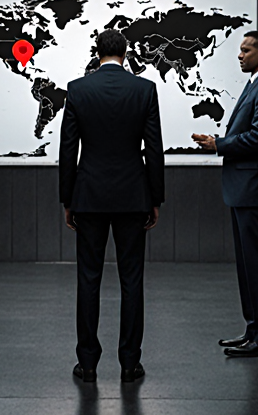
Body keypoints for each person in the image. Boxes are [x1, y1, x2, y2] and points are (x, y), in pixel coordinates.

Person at [59, 28, 165, 383]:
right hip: (133, 196)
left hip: (88, 196)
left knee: (88, 279)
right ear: (126, 52)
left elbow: (67, 151)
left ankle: (87, 363)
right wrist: (155, 198)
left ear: (96, 52)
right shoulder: (145, 89)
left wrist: (67, 198)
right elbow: (153, 149)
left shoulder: (77, 89)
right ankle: (129, 363)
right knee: (131, 281)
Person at [192, 30, 258, 358]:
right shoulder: (256, 84)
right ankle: (254, 330)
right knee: (248, 266)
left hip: (256, 190)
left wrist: (219, 144)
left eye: (246, 50)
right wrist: (220, 140)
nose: (239, 55)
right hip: (245, 189)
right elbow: (248, 132)